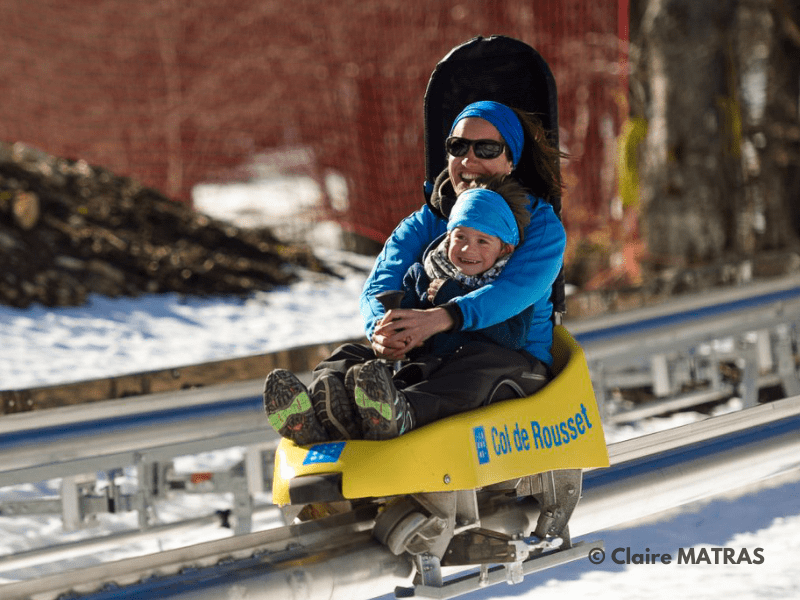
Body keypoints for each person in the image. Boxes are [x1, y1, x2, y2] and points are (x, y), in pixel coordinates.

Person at [264, 100, 566, 444]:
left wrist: (443, 316)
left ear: (510, 160)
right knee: (351, 357)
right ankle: (317, 417)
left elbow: (513, 292)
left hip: (512, 360)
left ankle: (401, 412)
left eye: (486, 148)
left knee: (478, 366)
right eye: (458, 147)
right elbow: (381, 283)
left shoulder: (538, 224)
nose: (469, 159)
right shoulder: (426, 222)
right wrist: (384, 329)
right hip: (429, 353)